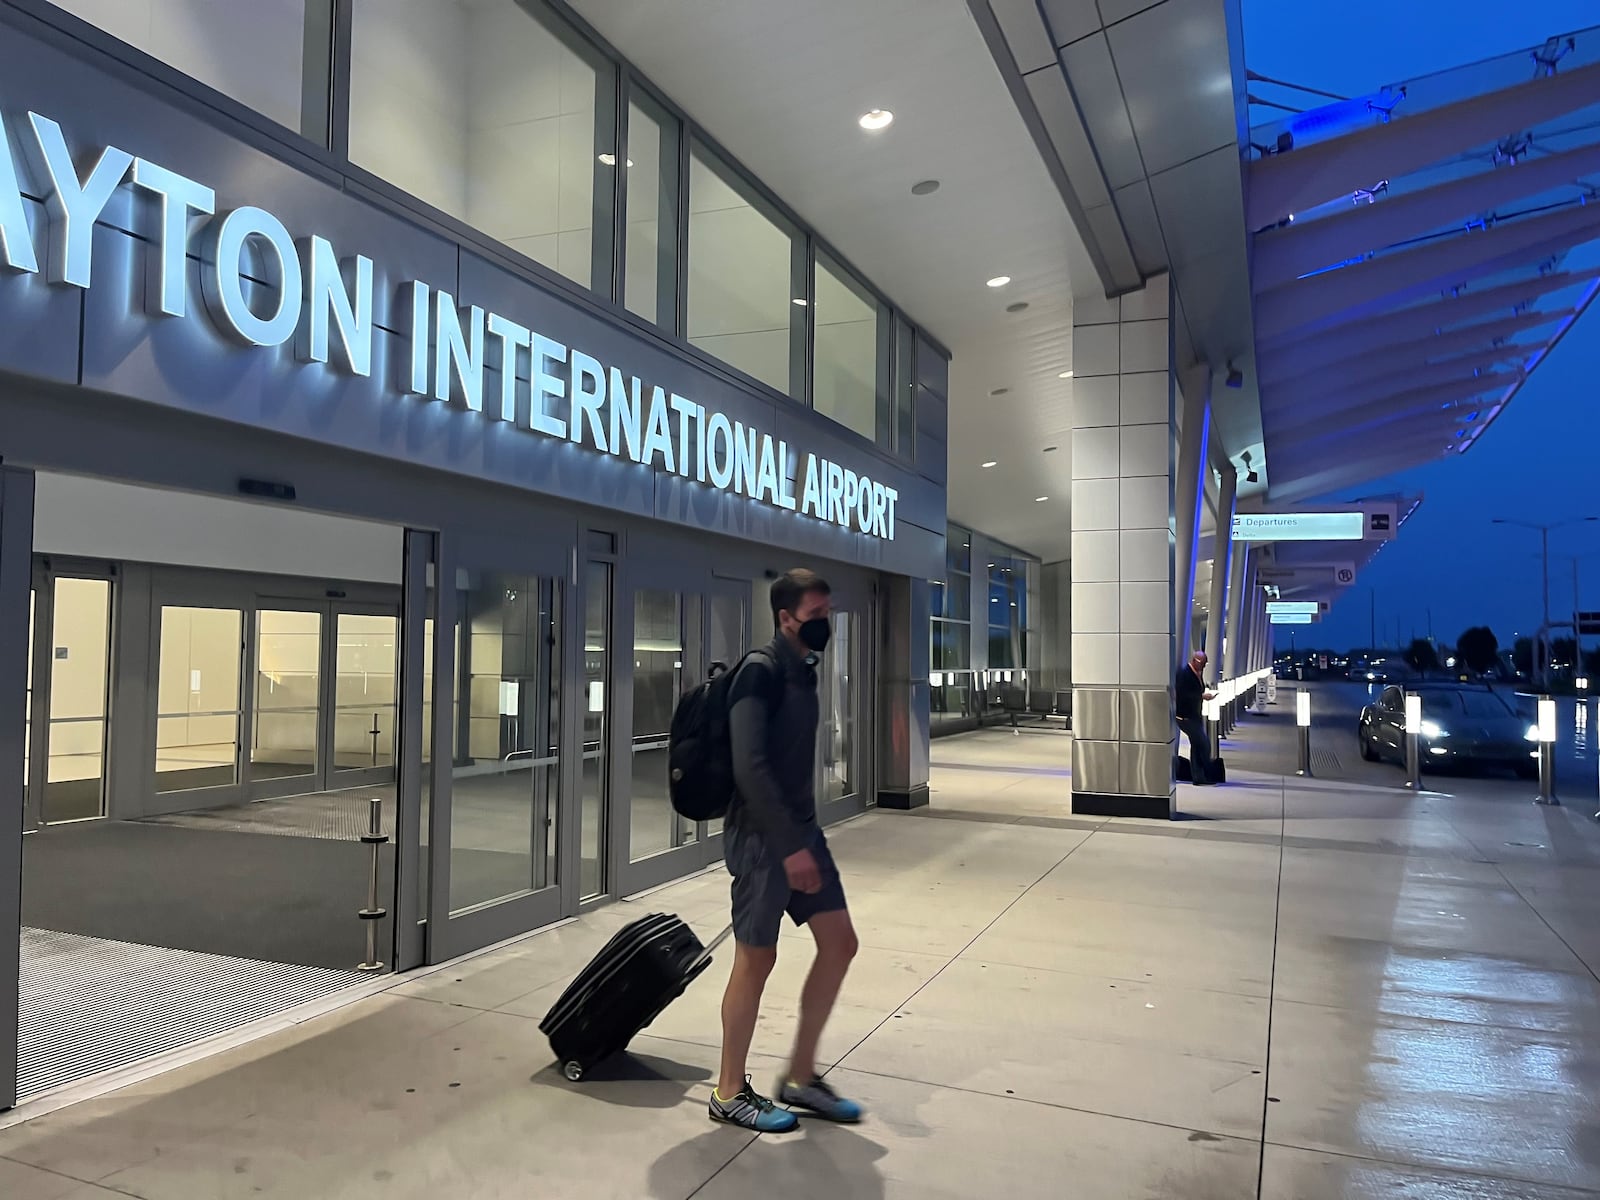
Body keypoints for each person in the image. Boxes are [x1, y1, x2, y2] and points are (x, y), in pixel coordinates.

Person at [709, 568, 863, 1133]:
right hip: (761, 838)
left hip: (802, 833)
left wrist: (803, 841)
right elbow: (750, 767)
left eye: (828, 614)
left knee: (840, 943)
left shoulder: (804, 671)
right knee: (757, 958)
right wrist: (787, 847)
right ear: (785, 618)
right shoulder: (760, 672)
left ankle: (800, 1078)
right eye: (816, 616)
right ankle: (728, 1092)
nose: (825, 624)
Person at [1176, 650, 1218, 785]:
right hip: (1186, 717)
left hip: (1194, 716)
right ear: (1196, 661)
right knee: (1203, 744)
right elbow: (1183, 695)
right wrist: (1202, 696)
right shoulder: (1185, 674)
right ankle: (1207, 773)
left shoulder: (1197, 673)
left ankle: (1199, 777)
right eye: (1203, 663)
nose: (1205, 666)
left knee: (1196, 745)